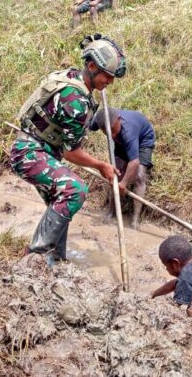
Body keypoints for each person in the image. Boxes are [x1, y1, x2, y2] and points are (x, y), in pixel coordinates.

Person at [10, 33, 126, 264]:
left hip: (38, 149)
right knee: (74, 190)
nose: (110, 82)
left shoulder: (72, 77)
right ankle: (36, 257)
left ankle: (57, 259)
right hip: (30, 153)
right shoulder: (75, 100)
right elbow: (70, 152)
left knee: (60, 203)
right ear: (92, 66)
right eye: (107, 76)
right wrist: (102, 165)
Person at [90, 107, 155, 229]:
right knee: (116, 174)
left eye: (114, 130)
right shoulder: (100, 121)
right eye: (108, 133)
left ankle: (135, 220)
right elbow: (87, 127)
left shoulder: (128, 130)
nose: (112, 134)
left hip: (143, 141)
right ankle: (111, 212)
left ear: (119, 120)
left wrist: (123, 184)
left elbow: (134, 162)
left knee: (139, 176)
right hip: (121, 142)